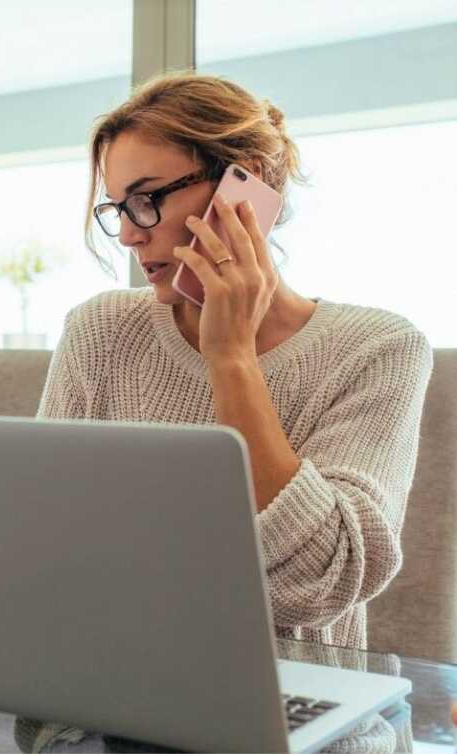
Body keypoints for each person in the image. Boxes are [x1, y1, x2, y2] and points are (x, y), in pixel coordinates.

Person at [37, 72, 432, 651]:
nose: (127, 235)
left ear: (248, 183)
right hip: (111, 678)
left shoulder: (378, 349)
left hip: (289, 704)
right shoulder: (101, 331)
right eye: (117, 208)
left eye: (146, 201)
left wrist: (231, 357)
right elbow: (43, 537)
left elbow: (316, 584)